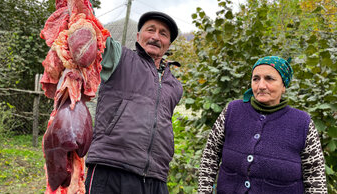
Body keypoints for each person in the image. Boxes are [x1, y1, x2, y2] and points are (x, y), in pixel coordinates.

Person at [84, 11, 183, 194]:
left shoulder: (175, 86)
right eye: (150, 30)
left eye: (163, 33)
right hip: (112, 167)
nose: (155, 37)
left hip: (155, 176)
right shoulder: (119, 57)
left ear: (169, 44)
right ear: (138, 36)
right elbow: (91, 35)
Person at [198, 56, 327, 194]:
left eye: (269, 78)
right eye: (256, 79)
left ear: (284, 85)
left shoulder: (303, 123)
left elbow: (315, 176)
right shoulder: (232, 111)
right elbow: (210, 156)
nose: (261, 86)